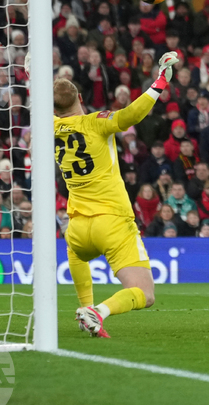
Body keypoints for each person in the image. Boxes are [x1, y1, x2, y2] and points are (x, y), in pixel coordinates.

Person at [54, 50, 179, 338]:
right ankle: (98, 311)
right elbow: (131, 115)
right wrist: (159, 81)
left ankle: (85, 308)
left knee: (76, 253)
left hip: (77, 227)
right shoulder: (96, 122)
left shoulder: (49, 126)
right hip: (111, 221)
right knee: (145, 293)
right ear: (81, 100)